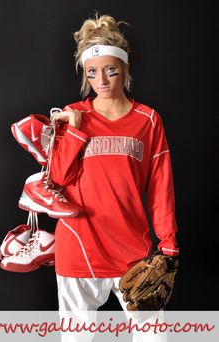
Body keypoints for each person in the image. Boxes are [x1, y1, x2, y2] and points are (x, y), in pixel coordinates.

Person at [50, 13, 179, 341]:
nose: (102, 80)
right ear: (85, 74)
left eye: (111, 70)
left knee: (153, 337)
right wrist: (75, 132)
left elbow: (161, 186)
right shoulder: (74, 115)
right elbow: (58, 179)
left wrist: (168, 245)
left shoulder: (147, 120)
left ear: (124, 70)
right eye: (92, 73)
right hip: (79, 248)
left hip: (132, 252)